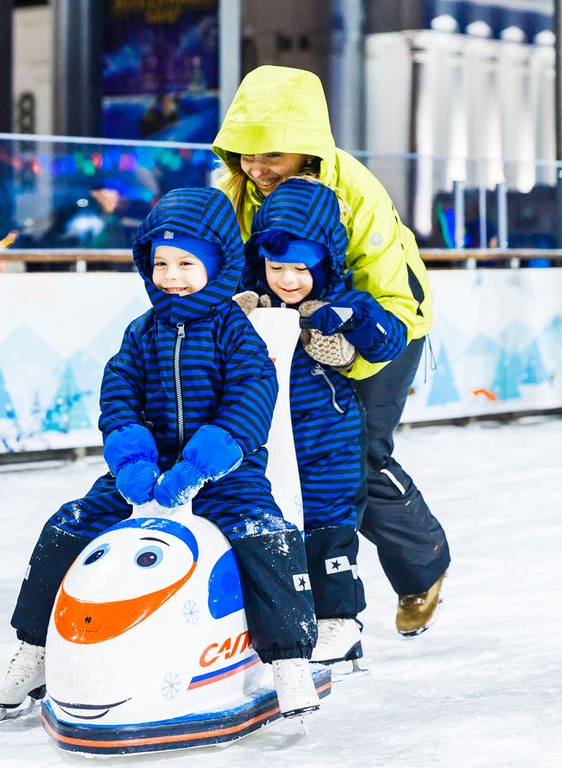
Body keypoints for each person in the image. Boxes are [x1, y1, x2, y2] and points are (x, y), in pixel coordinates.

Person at [0, 186, 320, 719]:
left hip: (227, 475)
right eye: (160, 262)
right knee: (68, 525)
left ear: (220, 263)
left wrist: (205, 462)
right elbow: (118, 397)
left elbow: (252, 399)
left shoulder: (237, 333)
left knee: (266, 537)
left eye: (187, 263)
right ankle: (36, 650)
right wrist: (133, 461)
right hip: (145, 476)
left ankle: (289, 660)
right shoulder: (141, 334)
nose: (172, 276)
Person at [212, 65, 450, 637]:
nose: (257, 168)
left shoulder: (355, 193)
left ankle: (423, 565)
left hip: (382, 328)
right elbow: (218, 268)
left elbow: (394, 295)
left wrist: (348, 352)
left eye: (271, 155)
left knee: (355, 455)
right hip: (290, 331)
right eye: (245, 154)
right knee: (272, 457)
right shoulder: (238, 191)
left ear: (307, 147)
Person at [237, 177, 408, 665]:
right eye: (276, 267)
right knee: (271, 530)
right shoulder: (256, 304)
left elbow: (389, 339)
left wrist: (349, 319)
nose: (287, 280)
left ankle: (339, 622)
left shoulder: (347, 301)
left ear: (325, 262)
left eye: (300, 268)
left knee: (328, 530)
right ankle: (276, 621)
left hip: (328, 446)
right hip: (270, 442)